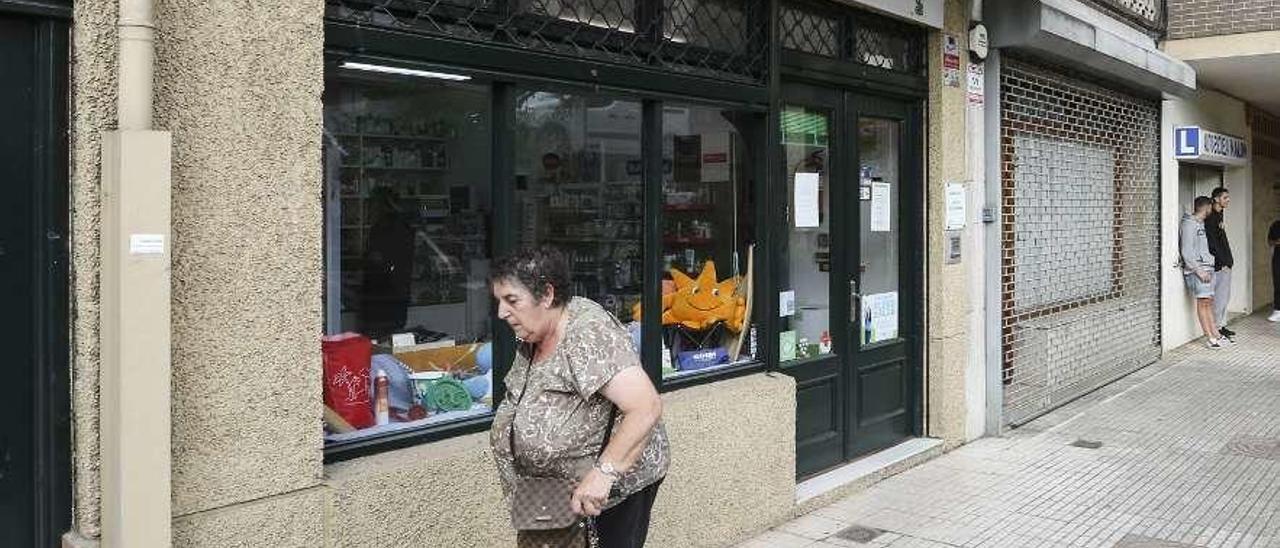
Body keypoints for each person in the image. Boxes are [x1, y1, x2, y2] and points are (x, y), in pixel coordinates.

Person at [489, 246, 669, 548]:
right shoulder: (534, 335)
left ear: (546, 295)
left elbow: (645, 407)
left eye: (511, 300)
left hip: (603, 499)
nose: (502, 313)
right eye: (498, 301)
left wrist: (604, 473)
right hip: (548, 495)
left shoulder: (587, 333)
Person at [1181, 196, 1226, 348]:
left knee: (1209, 302)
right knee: (1203, 303)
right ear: (1207, 208)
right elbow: (1186, 252)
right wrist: (1199, 271)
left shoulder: (1199, 224)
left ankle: (1216, 334)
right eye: (1210, 208)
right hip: (1199, 272)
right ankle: (1210, 338)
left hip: (1208, 268)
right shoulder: (1189, 225)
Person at [1205, 187, 1235, 340]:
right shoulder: (1210, 217)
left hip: (1226, 263)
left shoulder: (1219, 215)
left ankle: (1222, 325)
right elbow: (1212, 243)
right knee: (1219, 297)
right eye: (1225, 198)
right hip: (1219, 265)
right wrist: (1222, 261)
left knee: (1225, 297)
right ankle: (1216, 328)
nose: (1228, 200)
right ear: (1216, 199)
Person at [1270, 217, 1280, 322]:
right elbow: (1270, 242)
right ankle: (1278, 311)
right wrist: (1277, 242)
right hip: (1278, 259)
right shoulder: (1276, 224)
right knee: (1278, 283)